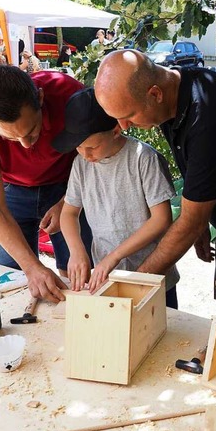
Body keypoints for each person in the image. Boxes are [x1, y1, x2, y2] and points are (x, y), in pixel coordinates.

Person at [94, 50, 216, 306]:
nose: (123, 126)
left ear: (155, 94)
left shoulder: (209, 115)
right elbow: (194, 170)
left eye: (129, 116)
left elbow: (190, 220)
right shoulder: (172, 98)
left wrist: (135, 287)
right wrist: (201, 225)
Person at [0, 66, 93, 302]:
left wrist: (69, 201)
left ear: (40, 98)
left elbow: (96, 158)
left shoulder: (69, 95)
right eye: (9, 137)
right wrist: (32, 268)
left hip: (68, 185)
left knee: (79, 276)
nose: (26, 145)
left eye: (32, 131)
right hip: (11, 195)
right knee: (13, 277)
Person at [56, 88, 180, 308]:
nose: (86, 155)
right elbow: (68, 212)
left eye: (92, 147)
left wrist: (114, 256)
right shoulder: (81, 164)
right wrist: (77, 251)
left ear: (115, 130)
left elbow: (161, 219)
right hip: (107, 278)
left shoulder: (143, 158)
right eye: (79, 147)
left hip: (152, 275)